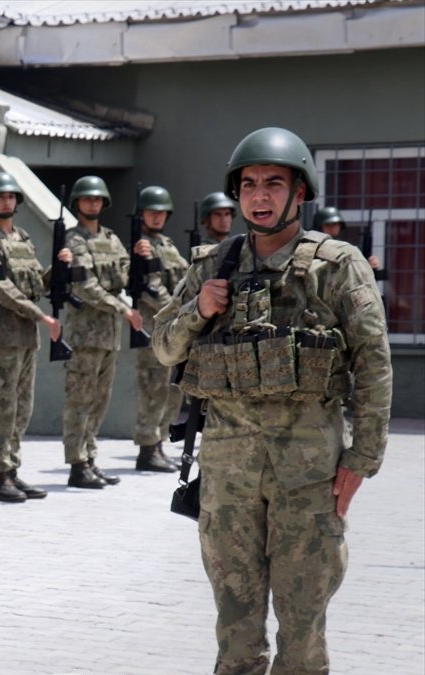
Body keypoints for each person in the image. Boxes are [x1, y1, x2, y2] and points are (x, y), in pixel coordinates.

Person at [153, 127, 392, 674]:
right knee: (235, 634)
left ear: (299, 192)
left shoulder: (337, 266)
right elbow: (164, 348)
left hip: (307, 476)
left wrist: (362, 459)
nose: (259, 196)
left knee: (302, 633)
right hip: (227, 477)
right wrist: (198, 310)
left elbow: (373, 365)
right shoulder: (211, 265)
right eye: (249, 185)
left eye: (273, 184)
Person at [0, 172, 61, 502]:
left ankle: (12, 470)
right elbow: (2, 287)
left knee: (22, 407)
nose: (6, 201)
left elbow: (37, 283)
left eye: (11, 196)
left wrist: (59, 268)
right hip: (4, 334)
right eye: (0, 196)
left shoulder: (23, 238)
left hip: (26, 336)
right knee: (4, 406)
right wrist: (40, 315)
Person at [61, 176, 146, 489]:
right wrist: (122, 308)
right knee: (80, 400)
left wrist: (139, 256)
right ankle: (77, 463)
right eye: (87, 199)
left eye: (97, 199)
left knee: (99, 400)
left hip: (109, 334)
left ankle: (89, 458)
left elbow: (124, 275)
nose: (93, 203)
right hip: (85, 334)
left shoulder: (110, 238)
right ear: (77, 203)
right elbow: (85, 285)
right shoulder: (74, 240)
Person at [129, 185, 186, 473]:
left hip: (173, 329)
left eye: (161, 212)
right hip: (154, 329)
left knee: (170, 390)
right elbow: (150, 288)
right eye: (151, 212)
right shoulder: (141, 247)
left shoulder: (167, 245)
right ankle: (147, 448)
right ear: (141, 214)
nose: (157, 217)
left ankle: (159, 443)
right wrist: (180, 310)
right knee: (152, 389)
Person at [314, 206, 384, 271]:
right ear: (320, 227)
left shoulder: (346, 247)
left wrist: (369, 266)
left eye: (335, 224)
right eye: (327, 225)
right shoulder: (315, 247)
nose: (332, 228)